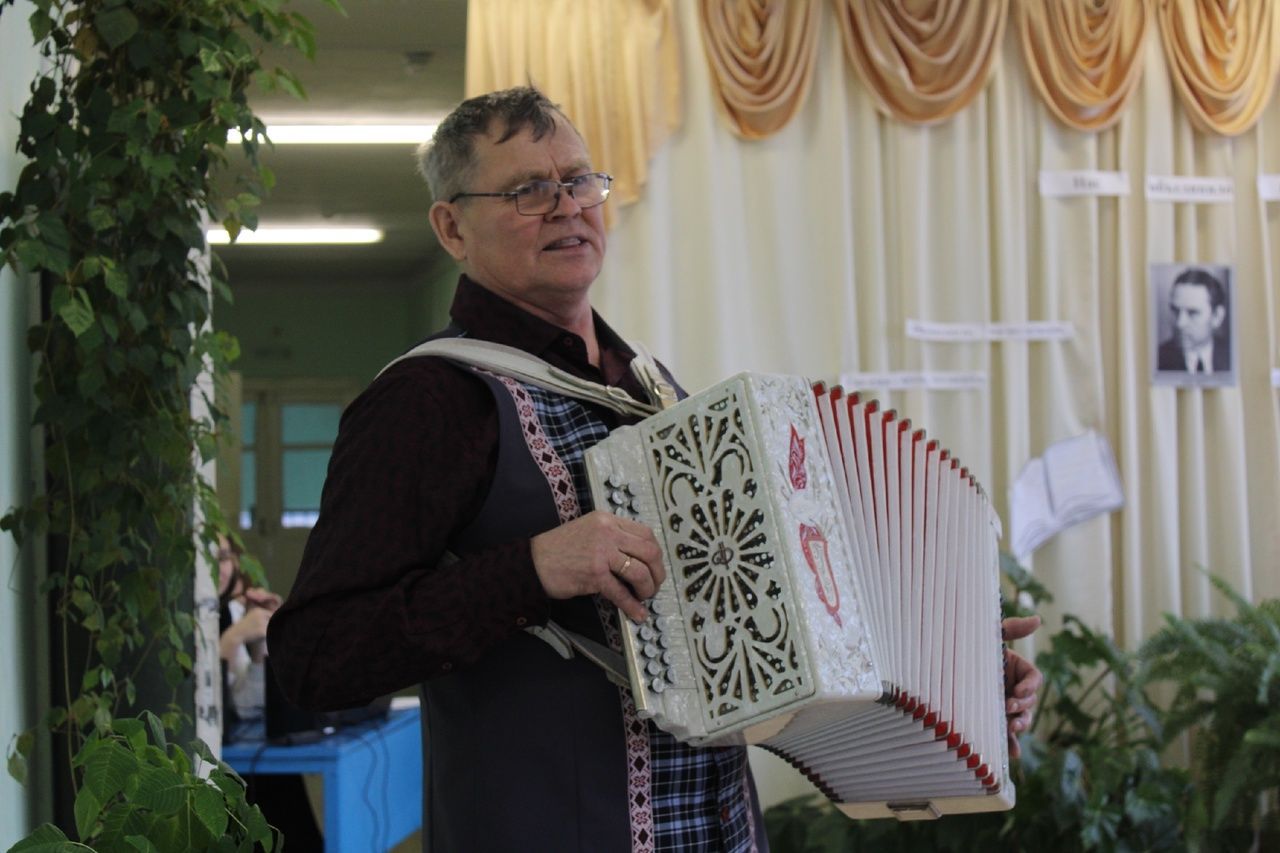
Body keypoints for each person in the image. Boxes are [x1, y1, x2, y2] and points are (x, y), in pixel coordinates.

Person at [266, 87, 1043, 852]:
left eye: (578, 180)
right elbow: (316, 657)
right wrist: (532, 568)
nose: (567, 206)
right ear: (451, 226)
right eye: (528, 190)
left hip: (720, 830)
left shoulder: (655, 391)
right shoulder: (427, 399)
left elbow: (755, 629)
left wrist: (952, 669)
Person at [217, 537, 323, 850]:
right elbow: (227, 707)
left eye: (223, 558)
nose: (218, 570)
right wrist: (232, 639)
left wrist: (264, 643)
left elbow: (251, 703)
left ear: (237, 560)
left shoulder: (240, 609)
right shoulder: (211, 619)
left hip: (258, 755)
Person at [1157, 267, 1230, 374]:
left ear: (1217, 317)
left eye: (1192, 313)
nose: (1180, 323)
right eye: (1175, 311)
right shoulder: (1158, 359)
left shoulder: (1232, 356)